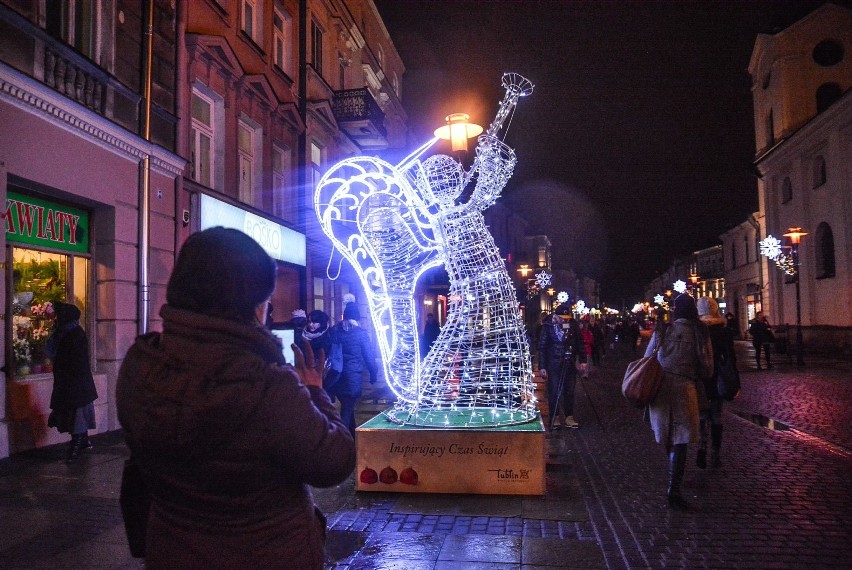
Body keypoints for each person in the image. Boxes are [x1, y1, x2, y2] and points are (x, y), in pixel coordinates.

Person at [116, 227, 355, 569]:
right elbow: (334, 462)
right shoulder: (267, 388)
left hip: (171, 551)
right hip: (267, 555)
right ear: (255, 307)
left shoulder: (140, 366)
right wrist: (315, 390)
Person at [644, 294, 713, 510]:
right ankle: (674, 489)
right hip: (685, 389)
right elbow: (707, 366)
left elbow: (648, 357)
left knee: (667, 436)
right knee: (680, 439)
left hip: (661, 389)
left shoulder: (663, 330)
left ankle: (674, 474)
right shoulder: (699, 332)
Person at [46, 302, 98, 464]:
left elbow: (75, 360)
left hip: (75, 382)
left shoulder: (74, 334)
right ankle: (82, 441)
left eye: (58, 316)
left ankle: (76, 445)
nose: (55, 319)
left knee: (77, 415)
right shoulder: (64, 332)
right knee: (75, 414)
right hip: (70, 382)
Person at [326, 299, 379, 437]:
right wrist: (373, 373)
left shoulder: (335, 331)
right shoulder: (361, 333)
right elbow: (369, 356)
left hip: (336, 375)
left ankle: (353, 438)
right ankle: (341, 440)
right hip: (352, 377)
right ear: (357, 317)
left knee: (347, 407)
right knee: (347, 410)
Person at [697, 297, 735, 468]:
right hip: (718, 378)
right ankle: (716, 451)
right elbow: (730, 358)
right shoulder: (724, 330)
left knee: (702, 415)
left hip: (702, 378)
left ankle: (702, 445)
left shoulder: (698, 330)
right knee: (717, 415)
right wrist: (735, 381)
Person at [538, 311, 581, 429]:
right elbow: (542, 347)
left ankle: (569, 416)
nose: (565, 321)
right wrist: (542, 366)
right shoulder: (548, 326)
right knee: (554, 391)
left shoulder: (572, 324)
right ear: (556, 316)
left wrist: (582, 359)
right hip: (554, 363)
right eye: (563, 318)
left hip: (569, 362)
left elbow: (579, 341)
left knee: (570, 390)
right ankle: (555, 416)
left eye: (567, 318)